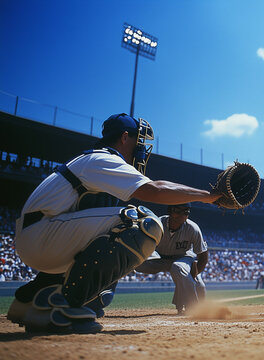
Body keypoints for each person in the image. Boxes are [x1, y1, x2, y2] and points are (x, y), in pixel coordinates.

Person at [7, 113, 221, 333]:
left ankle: (31, 299)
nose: (141, 149)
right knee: (141, 222)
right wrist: (208, 196)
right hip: (44, 234)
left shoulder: (91, 160)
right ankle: (64, 306)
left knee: (110, 222)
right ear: (124, 138)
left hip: (43, 234)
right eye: (138, 141)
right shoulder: (103, 159)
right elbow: (154, 190)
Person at [135, 203, 208, 314]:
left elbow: (203, 257)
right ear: (170, 211)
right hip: (161, 258)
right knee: (133, 263)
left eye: (186, 212)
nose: (182, 215)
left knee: (192, 279)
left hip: (184, 258)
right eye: (178, 211)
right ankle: (101, 297)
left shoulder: (193, 228)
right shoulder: (158, 224)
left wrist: (193, 275)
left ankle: (194, 307)